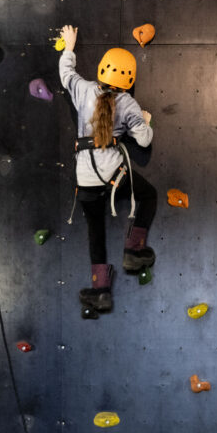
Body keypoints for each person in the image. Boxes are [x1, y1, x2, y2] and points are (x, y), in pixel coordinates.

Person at [58, 25, 156, 316]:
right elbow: (144, 140)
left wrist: (70, 47)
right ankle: (134, 251)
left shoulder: (83, 90)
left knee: (95, 230)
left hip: (85, 179)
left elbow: (66, 74)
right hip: (114, 177)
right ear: (129, 79)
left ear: (102, 70)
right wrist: (144, 121)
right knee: (148, 196)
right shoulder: (128, 103)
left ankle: (101, 291)